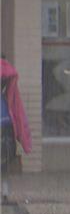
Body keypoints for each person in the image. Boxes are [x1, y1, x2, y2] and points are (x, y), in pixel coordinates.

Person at [1, 58, 32, 205]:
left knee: (4, 166)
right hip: (6, 131)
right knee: (4, 167)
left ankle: (4, 195)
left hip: (5, 130)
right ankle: (4, 195)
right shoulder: (7, 99)